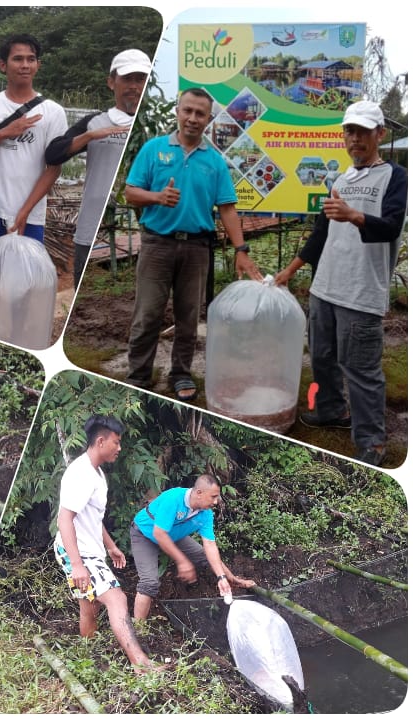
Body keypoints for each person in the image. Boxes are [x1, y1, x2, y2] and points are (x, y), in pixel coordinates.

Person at [275, 100, 407, 467]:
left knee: (361, 369)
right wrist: (291, 270)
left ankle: (372, 441)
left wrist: (354, 215)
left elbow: (392, 226)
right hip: (324, 288)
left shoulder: (395, 177)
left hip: (361, 292)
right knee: (321, 357)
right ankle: (333, 409)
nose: (355, 139)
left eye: (363, 132)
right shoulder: (342, 179)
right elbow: (321, 234)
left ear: (379, 134)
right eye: (350, 132)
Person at [124, 87, 263, 401]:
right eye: (187, 110)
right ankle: (138, 377)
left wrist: (241, 251)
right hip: (157, 244)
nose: (192, 118)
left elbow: (227, 207)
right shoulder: (153, 149)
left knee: (189, 318)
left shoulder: (214, 162)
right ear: (178, 111)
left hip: (197, 249)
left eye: (200, 113)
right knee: (147, 316)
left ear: (208, 119)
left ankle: (181, 373)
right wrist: (157, 197)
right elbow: (131, 192)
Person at [54, 415, 161, 673]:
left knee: (88, 607)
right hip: (77, 553)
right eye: (116, 442)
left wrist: (111, 546)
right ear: (100, 441)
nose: (120, 448)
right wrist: (77, 564)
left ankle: (87, 663)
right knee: (117, 599)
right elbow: (64, 520)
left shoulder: (97, 474)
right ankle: (140, 663)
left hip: (88, 551)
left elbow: (92, 517)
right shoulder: (81, 474)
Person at [45, 49, 152, 287]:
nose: (135, 86)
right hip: (90, 227)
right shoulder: (95, 122)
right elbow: (52, 154)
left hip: (149, 230)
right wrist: (90, 136)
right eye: (128, 79)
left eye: (141, 79)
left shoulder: (152, 127)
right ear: (111, 82)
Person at [0, 34, 68, 260]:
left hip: (30, 216)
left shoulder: (53, 112)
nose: (24, 65)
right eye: (17, 59)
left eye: (31, 59)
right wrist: (4, 133)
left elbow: (53, 168)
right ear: (3, 65)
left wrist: (24, 212)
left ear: (38, 65)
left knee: (23, 285)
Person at [130, 474, 255, 620]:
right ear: (199, 493)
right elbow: (159, 534)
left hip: (173, 534)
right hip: (145, 534)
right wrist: (182, 561)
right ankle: (139, 631)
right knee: (149, 583)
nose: (216, 502)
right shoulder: (173, 498)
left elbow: (210, 545)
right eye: (213, 496)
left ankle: (233, 580)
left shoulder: (205, 514)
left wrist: (222, 577)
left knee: (204, 556)